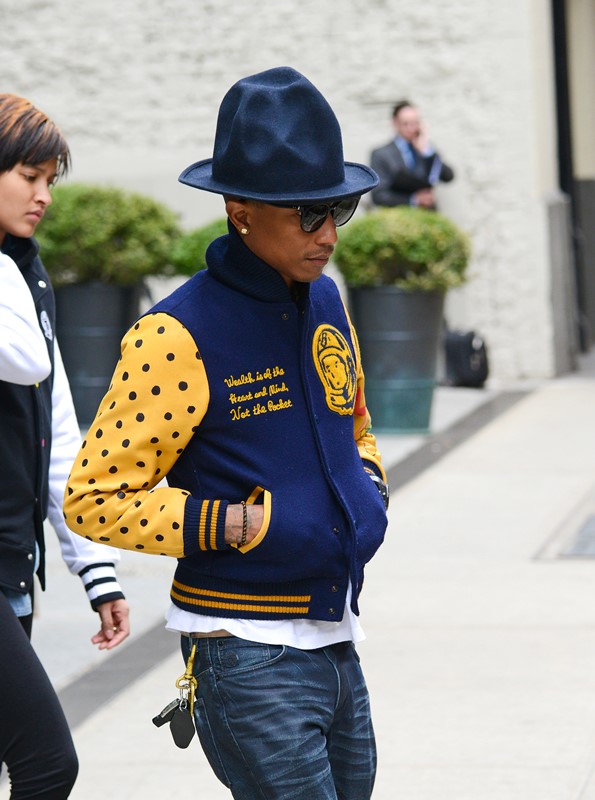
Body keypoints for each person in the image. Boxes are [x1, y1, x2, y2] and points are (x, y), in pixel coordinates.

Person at [64, 66, 389, 800]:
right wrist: (234, 525)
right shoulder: (175, 333)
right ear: (240, 211)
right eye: (308, 214)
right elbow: (93, 499)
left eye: (339, 209)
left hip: (337, 635)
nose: (328, 233)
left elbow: (355, 421)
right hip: (245, 654)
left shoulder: (326, 299)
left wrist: (369, 487)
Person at [0, 93, 130, 799]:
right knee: (48, 763)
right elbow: (25, 360)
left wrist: (96, 570)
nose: (43, 196)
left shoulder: (26, 273)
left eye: (50, 180)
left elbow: (57, 431)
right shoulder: (12, 278)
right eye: (29, 176)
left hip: (12, 564)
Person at [370, 99, 454, 209]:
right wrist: (414, 200)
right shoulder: (381, 154)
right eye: (405, 124)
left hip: (429, 215)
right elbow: (378, 195)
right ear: (394, 123)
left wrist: (427, 152)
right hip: (399, 215)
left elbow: (448, 176)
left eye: (415, 123)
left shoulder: (426, 148)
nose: (411, 129)